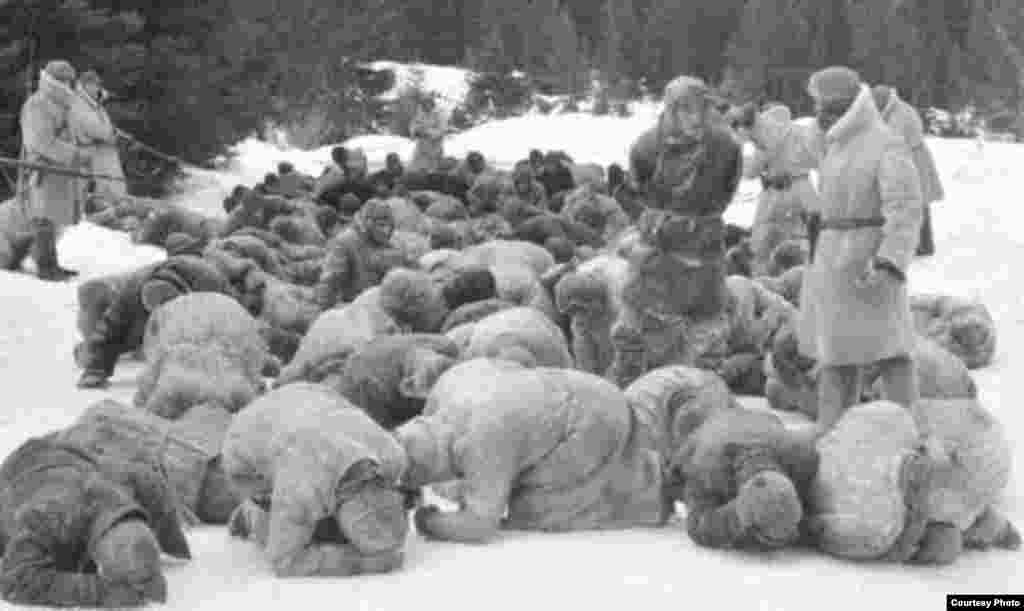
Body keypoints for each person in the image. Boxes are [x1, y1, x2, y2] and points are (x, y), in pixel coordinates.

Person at [798, 66, 923, 435]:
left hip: (868, 264)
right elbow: (788, 146)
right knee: (836, 356)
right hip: (833, 261)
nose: (817, 110)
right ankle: (834, 436)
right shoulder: (833, 140)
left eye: (821, 103)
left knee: (892, 354)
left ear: (840, 103)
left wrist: (889, 263)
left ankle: (908, 432)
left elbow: (905, 208)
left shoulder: (885, 142)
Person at [608, 75, 743, 386]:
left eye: (698, 108)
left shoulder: (724, 146)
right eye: (684, 108)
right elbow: (634, 191)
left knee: (707, 333)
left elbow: (726, 191)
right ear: (669, 108)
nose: (693, 116)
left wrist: (695, 218)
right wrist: (656, 220)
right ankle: (628, 392)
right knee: (633, 329)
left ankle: (703, 397)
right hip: (659, 248)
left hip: (701, 249)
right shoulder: (648, 145)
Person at [18, 59, 89, 280]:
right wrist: (74, 154)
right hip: (42, 169)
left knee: (51, 217)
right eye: (65, 80)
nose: (69, 84)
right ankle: (46, 267)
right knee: (43, 218)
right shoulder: (38, 104)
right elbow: (39, 141)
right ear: (56, 81)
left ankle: (51, 264)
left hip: (57, 169)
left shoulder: (61, 103)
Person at [732, 102, 820, 276]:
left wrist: (739, 158)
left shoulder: (765, 135)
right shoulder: (798, 131)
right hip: (804, 191)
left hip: (775, 194)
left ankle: (763, 284)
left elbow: (751, 171)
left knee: (760, 249)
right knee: (804, 245)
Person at [872, 85, 945, 257]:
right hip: (903, 159)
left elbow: (896, 139)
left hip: (915, 160)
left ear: (885, 99)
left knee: (919, 202)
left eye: (878, 101)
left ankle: (924, 245)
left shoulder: (903, 113)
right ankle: (914, 243)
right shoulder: (886, 113)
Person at [69, 70, 126, 202]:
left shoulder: (95, 104)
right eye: (95, 85)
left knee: (113, 185)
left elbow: (105, 125)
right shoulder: (79, 103)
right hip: (94, 151)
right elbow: (92, 127)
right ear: (86, 85)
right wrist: (111, 135)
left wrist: (115, 133)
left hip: (104, 151)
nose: (98, 88)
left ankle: (114, 205)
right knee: (104, 187)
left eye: (98, 85)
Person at [407, 97, 446, 175]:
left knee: (433, 170)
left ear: (432, 105)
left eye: (428, 104)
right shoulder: (420, 113)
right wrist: (415, 131)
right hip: (421, 147)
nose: (427, 106)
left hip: (434, 147)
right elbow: (413, 125)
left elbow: (441, 130)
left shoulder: (439, 114)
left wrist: (427, 132)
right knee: (416, 169)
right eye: (425, 104)